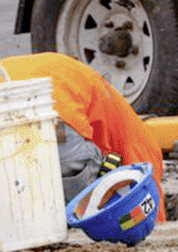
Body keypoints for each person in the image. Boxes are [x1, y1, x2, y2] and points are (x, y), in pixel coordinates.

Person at [0, 51, 166, 219]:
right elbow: (147, 204)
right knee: (88, 212)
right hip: (53, 107)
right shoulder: (142, 150)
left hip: (29, 92)